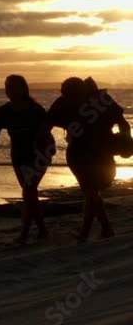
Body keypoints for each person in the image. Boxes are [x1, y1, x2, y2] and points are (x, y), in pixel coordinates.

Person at [45, 77, 131, 241]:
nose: (68, 98)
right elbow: (46, 125)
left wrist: (126, 143)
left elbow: (123, 123)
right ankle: (99, 230)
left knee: (91, 192)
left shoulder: (100, 101)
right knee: (90, 191)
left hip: (102, 152)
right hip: (77, 153)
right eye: (65, 94)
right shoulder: (63, 101)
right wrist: (46, 143)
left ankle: (93, 231)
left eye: (71, 95)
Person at [0, 75, 53, 243]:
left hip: (39, 154)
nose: (10, 91)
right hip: (18, 155)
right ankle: (42, 231)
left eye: (14, 87)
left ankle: (25, 233)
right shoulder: (3, 111)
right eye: (7, 87)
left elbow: (47, 131)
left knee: (28, 191)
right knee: (29, 193)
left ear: (23, 89)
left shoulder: (35, 110)